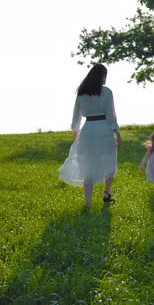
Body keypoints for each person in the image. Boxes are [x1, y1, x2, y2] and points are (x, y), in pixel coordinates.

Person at [59, 64, 121, 207]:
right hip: (104, 129)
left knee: (88, 165)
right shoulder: (107, 92)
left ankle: (88, 203)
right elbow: (111, 116)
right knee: (109, 161)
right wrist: (117, 133)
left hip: (88, 131)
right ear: (102, 76)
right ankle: (106, 193)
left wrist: (76, 132)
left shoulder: (81, 93)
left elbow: (76, 117)